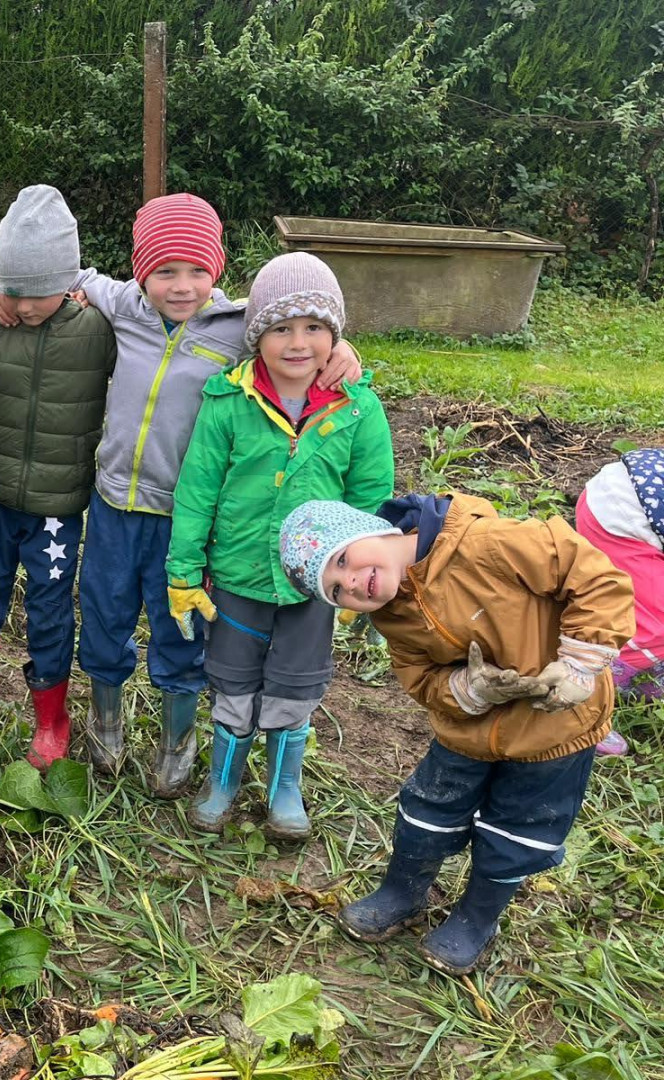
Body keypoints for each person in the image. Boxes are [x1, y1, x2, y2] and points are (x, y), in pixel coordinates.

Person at [0, 193, 360, 788]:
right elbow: (64, 275)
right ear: (141, 272)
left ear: (217, 269)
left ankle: (176, 739)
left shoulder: (238, 328)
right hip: (113, 505)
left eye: (196, 271)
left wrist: (341, 348)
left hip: (185, 518)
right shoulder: (123, 305)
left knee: (179, 625)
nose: (181, 287)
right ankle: (106, 723)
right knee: (104, 614)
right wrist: (6, 295)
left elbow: (296, 327)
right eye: (164, 271)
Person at [279, 495, 633, 974]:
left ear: (370, 529)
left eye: (342, 560)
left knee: (521, 829)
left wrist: (580, 662)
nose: (352, 583)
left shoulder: (484, 542)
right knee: (427, 810)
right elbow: (421, 679)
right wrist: (469, 689)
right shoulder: (391, 613)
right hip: (467, 731)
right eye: (336, 591)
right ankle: (402, 892)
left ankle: (477, 918)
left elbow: (594, 576)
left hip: (556, 726)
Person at [165, 253, 393, 833]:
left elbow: (371, 497)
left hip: (316, 587)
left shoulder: (358, 408)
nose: (298, 343)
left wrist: (360, 574)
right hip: (237, 577)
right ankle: (223, 780)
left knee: (296, 685)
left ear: (335, 336)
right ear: (256, 337)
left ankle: (284, 786)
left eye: (314, 327)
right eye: (281, 328)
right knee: (233, 681)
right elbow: (197, 490)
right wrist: (184, 570)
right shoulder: (227, 402)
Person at [0, 185, 115, 767]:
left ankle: (51, 716)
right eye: (12, 290)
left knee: (49, 610)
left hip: (56, 510)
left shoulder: (98, 330)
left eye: (34, 293)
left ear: (67, 282)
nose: (22, 306)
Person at [575, 448, 664, 752]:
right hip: (620, 515)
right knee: (655, 630)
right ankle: (579, 706)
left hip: (622, 496)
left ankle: (645, 673)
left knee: (628, 604)